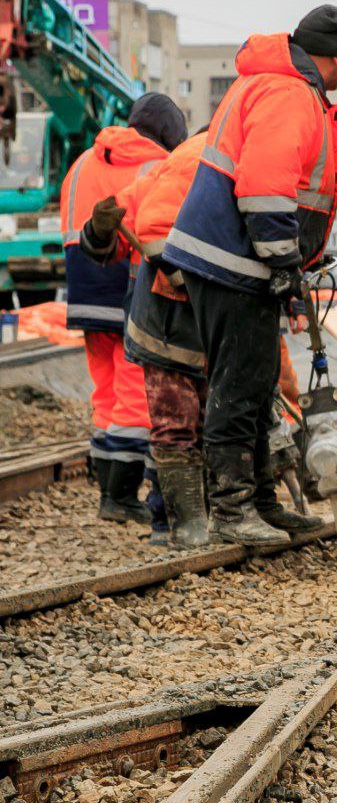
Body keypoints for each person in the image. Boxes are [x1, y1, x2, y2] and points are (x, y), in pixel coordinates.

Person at [162, 5, 337, 546]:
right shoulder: (288, 92)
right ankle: (232, 509)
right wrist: (283, 261)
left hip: (231, 259)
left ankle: (261, 502)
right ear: (336, 56)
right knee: (239, 386)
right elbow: (266, 187)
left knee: (258, 384)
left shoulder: (273, 85)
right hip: (234, 261)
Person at [60, 93, 186, 526]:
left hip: (83, 285)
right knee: (135, 393)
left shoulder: (81, 163)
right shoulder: (158, 165)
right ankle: (122, 494)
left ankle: (106, 491)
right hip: (128, 283)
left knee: (106, 392)